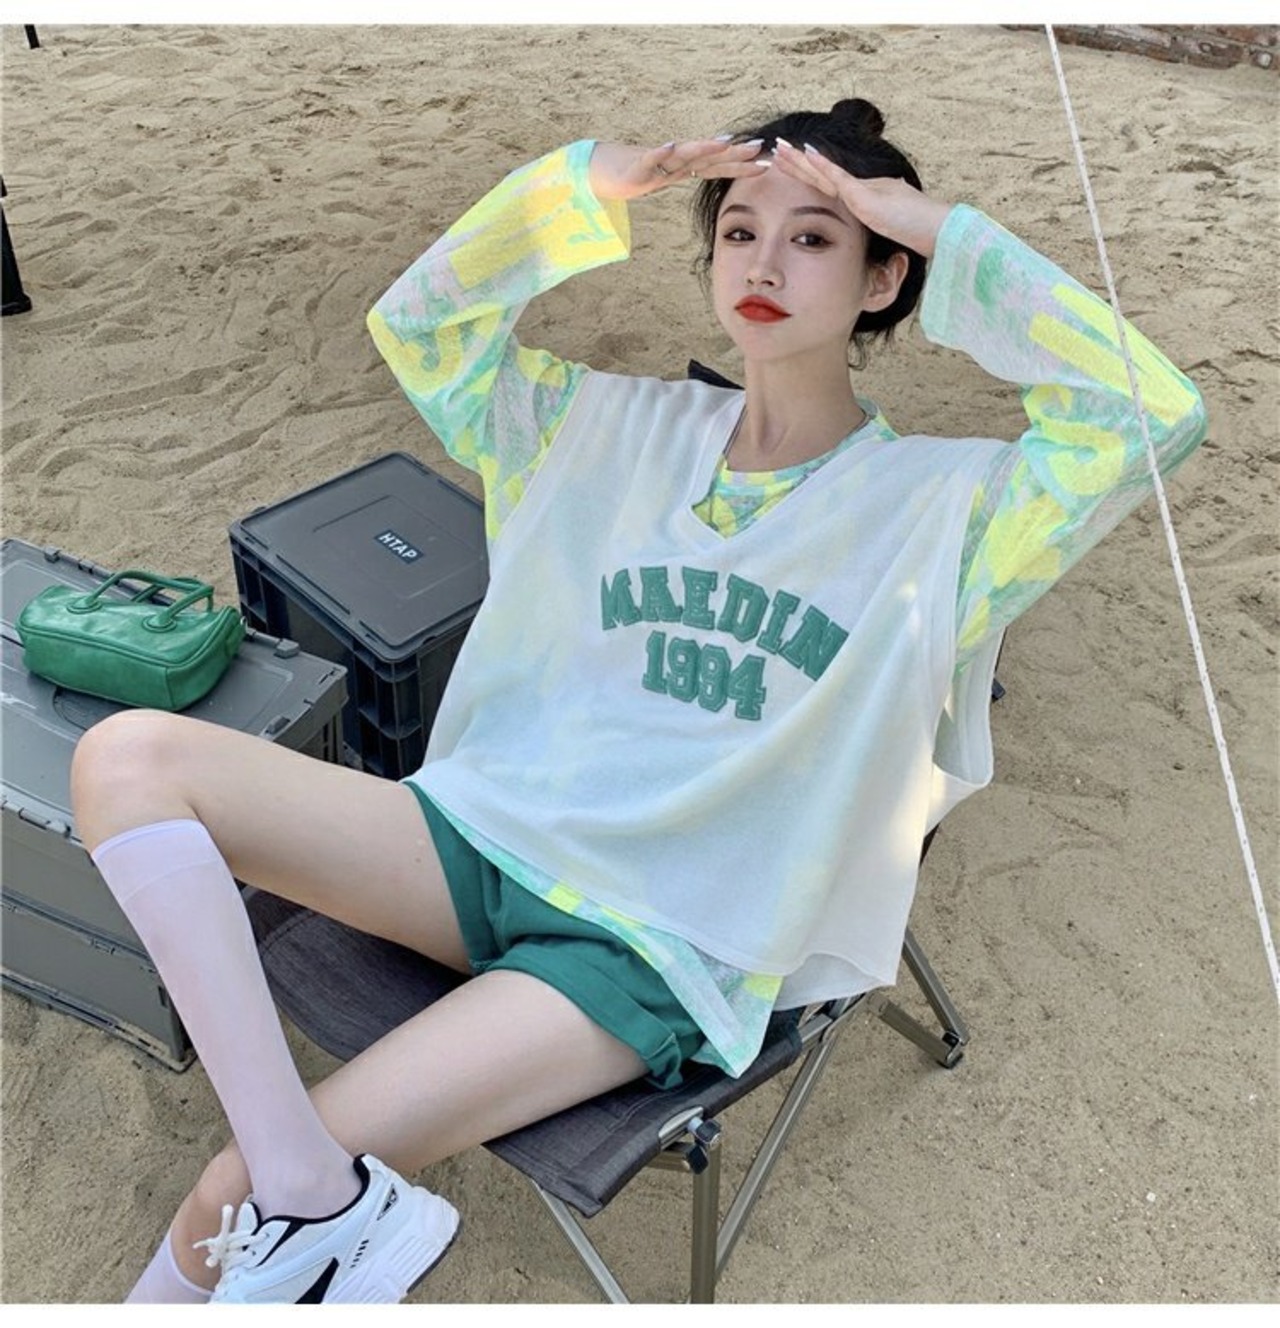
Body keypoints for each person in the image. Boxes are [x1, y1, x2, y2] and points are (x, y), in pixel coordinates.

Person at [70, 96, 1206, 1304]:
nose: (762, 264)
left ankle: (289, 1188)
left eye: (814, 238)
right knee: (127, 758)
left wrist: (934, 227)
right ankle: (313, 1189)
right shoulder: (594, 424)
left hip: (649, 937)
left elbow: (1146, 414)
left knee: (225, 1193)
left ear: (881, 280)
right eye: (738, 232)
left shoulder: (950, 511)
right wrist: (584, 184)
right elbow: (422, 322)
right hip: (481, 836)